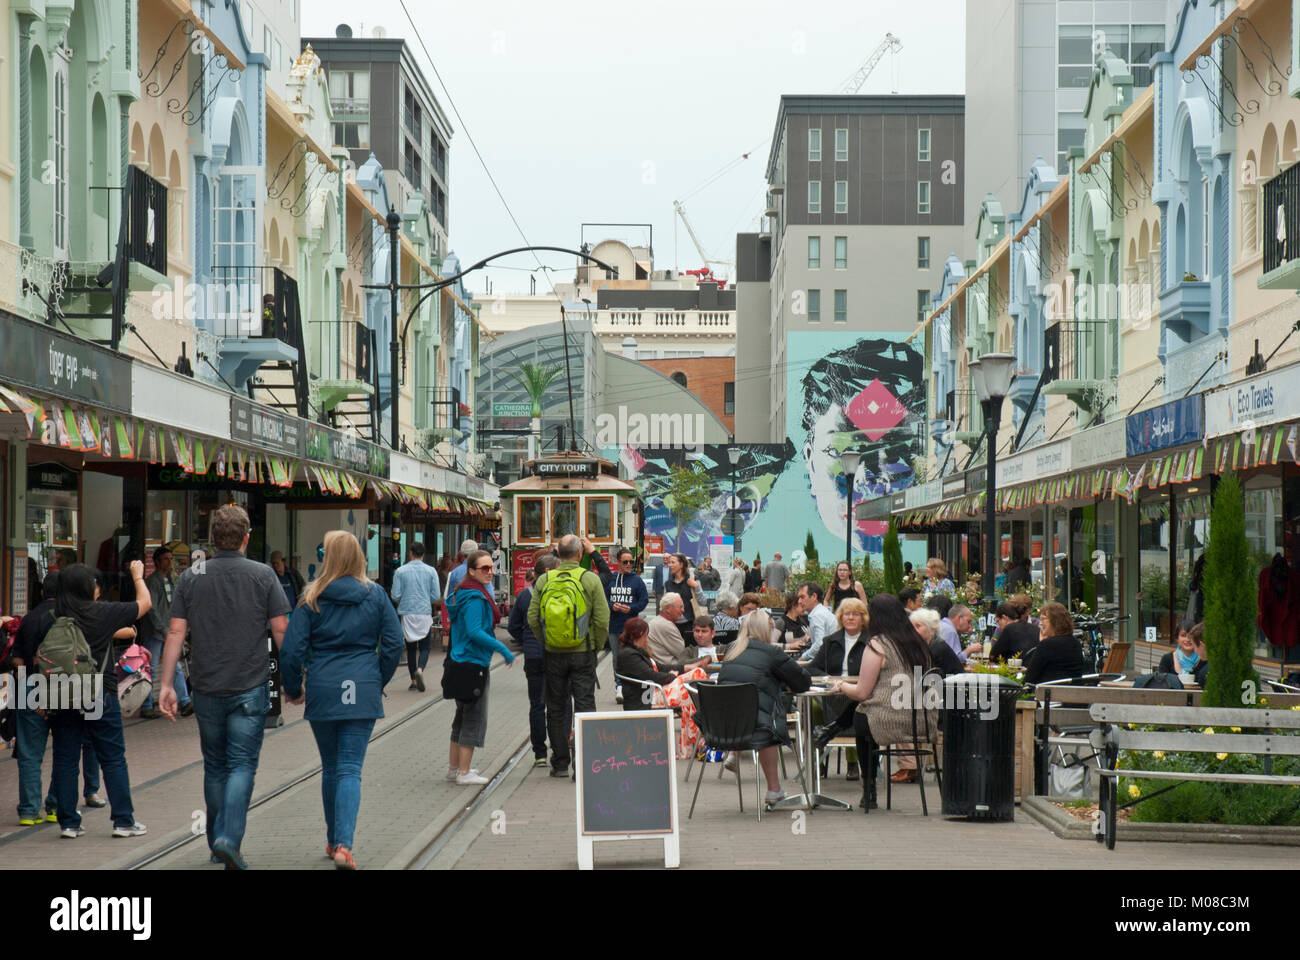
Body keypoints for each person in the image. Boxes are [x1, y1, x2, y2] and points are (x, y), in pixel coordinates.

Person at [158, 504, 290, 869]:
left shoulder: (192, 576)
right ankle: (228, 838)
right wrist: (295, 676)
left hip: (206, 687)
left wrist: (166, 684)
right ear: (247, 538)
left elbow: (175, 632)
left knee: (214, 765)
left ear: (212, 540)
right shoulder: (263, 575)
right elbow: (281, 629)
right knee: (242, 764)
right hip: (249, 686)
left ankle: (218, 844)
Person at [279, 531, 402, 870]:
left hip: (324, 686)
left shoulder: (311, 597)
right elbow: (393, 644)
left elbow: (291, 650)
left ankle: (334, 839)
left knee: (331, 766)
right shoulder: (375, 595)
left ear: (327, 557)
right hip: (361, 685)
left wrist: (292, 687)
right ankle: (344, 846)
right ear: (359, 557)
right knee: (350, 767)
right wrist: (377, 679)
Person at [48, 561, 152, 839]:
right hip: (97, 693)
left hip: (62, 693)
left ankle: (69, 823)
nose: (97, 587)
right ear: (86, 587)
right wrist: (137, 577)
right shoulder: (102, 613)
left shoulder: (52, 616)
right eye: (94, 583)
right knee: (113, 758)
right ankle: (123, 821)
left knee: (65, 759)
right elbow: (143, 605)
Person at [830, 594, 934, 813]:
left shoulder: (878, 645)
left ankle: (869, 789)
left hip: (887, 722)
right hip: (921, 722)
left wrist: (840, 686)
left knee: (862, 716)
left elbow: (861, 691)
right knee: (865, 711)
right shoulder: (919, 643)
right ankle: (831, 731)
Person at [11, 572, 102, 824]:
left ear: (42, 591)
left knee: (30, 752)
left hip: (30, 686)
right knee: (64, 751)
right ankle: (55, 806)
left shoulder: (29, 619)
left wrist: (25, 688)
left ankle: (29, 811)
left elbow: (17, 659)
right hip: (65, 689)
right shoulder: (71, 618)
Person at [527, 534, 609, 778]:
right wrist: (595, 645)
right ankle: (583, 764)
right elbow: (602, 619)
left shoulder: (544, 579)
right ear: (579, 554)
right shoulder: (589, 579)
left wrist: (547, 642)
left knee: (555, 707)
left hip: (553, 654)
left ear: (557, 555)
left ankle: (560, 762)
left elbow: (533, 618)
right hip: (583, 653)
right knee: (584, 705)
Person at [717, 609, 812, 808]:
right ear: (766, 630)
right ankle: (773, 789)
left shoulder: (731, 649)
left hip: (722, 726)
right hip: (758, 727)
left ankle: (738, 756)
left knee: (757, 713)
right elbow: (802, 681)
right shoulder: (772, 653)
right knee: (768, 724)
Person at [445, 550, 516, 785]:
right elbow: (475, 632)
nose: (490, 572)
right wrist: (504, 650)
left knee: (461, 716)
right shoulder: (475, 598)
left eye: (491, 567)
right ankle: (464, 773)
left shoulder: (463, 592)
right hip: (473, 662)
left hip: (459, 661)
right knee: (473, 718)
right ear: (472, 571)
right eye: (484, 568)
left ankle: (454, 768)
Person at [807, 597, 869, 781]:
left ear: (863, 618)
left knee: (856, 710)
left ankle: (852, 762)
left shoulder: (871, 642)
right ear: (841, 618)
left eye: (855, 614)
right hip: (831, 694)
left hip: (859, 695)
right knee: (813, 708)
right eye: (847, 614)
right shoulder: (830, 641)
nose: (850, 618)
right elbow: (811, 667)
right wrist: (828, 679)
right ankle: (818, 759)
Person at [508, 556, 557, 763]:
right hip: (556, 654)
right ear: (547, 571)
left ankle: (539, 753)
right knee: (557, 705)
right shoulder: (559, 592)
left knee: (537, 704)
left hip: (533, 655)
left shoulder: (524, 596)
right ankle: (559, 749)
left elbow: (512, 626)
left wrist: (527, 641)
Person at [139, 546, 192, 719]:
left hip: (167, 631)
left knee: (175, 666)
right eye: (166, 559)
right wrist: (163, 629)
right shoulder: (152, 582)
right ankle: (147, 706)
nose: (169, 562)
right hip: (156, 632)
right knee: (151, 668)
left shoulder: (170, 580)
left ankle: (185, 701)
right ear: (156, 562)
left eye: (171, 559)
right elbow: (152, 609)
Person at [390, 542, 443, 693]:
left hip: (407, 613)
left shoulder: (400, 571)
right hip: (424, 612)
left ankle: (413, 681)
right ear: (423, 554)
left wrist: (405, 599)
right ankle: (420, 670)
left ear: (410, 553)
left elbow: (395, 595)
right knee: (425, 647)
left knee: (411, 648)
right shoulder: (431, 571)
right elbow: (435, 596)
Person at [605, 547, 649, 700]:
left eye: (631, 561)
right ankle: (619, 687)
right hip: (614, 625)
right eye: (625, 562)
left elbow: (644, 601)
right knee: (616, 657)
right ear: (618, 562)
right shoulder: (611, 579)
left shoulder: (637, 580)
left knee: (633, 656)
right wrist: (612, 606)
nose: (629, 564)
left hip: (631, 626)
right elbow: (604, 599)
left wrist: (631, 609)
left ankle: (632, 686)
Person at [615, 617, 679, 711]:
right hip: (645, 698)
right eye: (646, 635)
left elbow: (659, 667)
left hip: (648, 694)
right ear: (641, 634)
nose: (647, 638)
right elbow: (650, 675)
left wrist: (683, 668)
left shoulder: (636, 650)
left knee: (692, 678)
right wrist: (671, 676)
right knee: (689, 693)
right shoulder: (629, 654)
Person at [1022, 602, 1086, 685]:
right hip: (1071, 693)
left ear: (1055, 621)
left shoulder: (1047, 645)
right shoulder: (1075, 643)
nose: (1040, 623)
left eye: (1043, 619)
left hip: (1048, 694)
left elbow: (1029, 679)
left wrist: (1041, 644)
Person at [662, 553, 705, 644]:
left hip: (690, 624)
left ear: (681, 565)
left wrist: (696, 587)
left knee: (689, 652)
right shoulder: (668, 584)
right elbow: (664, 606)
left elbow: (703, 601)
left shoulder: (692, 580)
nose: (670, 565)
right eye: (669, 563)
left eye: (673, 562)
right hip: (672, 626)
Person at [647, 595, 694, 669]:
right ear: (668, 608)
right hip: (670, 669)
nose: (683, 610)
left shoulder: (656, 621)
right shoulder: (666, 626)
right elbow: (683, 654)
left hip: (661, 667)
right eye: (680, 607)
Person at [912, 607, 961, 676]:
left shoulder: (938, 649)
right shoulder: (924, 646)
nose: (913, 630)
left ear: (932, 629)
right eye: (912, 627)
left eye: (918, 626)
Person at [1158, 619, 1208, 686]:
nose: (1187, 639)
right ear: (1177, 638)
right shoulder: (1167, 659)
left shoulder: (1204, 658)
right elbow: (1161, 683)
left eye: (1190, 636)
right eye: (1183, 635)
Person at [796, 582, 836, 662]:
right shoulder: (821, 611)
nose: (799, 601)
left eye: (802, 597)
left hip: (828, 663)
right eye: (799, 598)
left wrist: (802, 658)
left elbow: (819, 645)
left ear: (814, 596)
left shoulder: (817, 615)